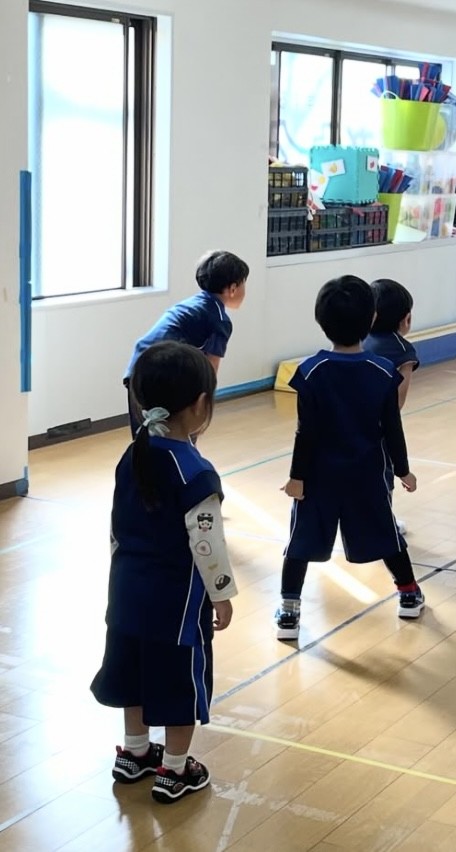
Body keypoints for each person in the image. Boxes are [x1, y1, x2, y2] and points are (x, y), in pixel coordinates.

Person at [91, 341, 237, 804]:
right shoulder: (195, 471)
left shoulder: (132, 454)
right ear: (200, 404)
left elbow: (115, 526)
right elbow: (207, 543)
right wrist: (221, 593)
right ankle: (175, 769)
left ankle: (134, 753)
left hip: (125, 592)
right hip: (176, 603)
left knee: (131, 670)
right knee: (179, 682)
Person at [276, 275, 424, 641]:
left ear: (320, 320)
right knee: (387, 535)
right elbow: (392, 429)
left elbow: (305, 432)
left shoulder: (310, 372)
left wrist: (296, 477)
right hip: (367, 477)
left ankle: (289, 611)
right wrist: (403, 470)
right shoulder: (383, 371)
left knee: (300, 542)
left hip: (318, 479)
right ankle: (408, 593)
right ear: (371, 319)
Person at [123, 250, 249, 434]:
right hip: (161, 374)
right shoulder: (219, 320)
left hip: (136, 369)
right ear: (233, 289)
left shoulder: (191, 304)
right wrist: (203, 409)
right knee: (179, 433)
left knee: (144, 438)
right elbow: (210, 370)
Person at [363, 278, 420, 535]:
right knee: (381, 475)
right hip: (378, 428)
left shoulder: (356, 340)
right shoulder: (402, 351)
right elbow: (397, 401)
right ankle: (383, 523)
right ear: (406, 319)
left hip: (346, 420)